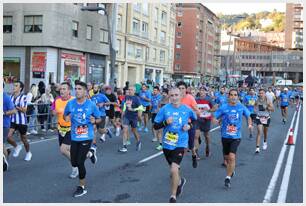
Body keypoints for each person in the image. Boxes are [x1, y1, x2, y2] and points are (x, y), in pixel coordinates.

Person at [153, 87, 197, 203]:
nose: (174, 98)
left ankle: (173, 196)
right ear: (169, 96)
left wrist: (189, 126)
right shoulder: (164, 109)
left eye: (176, 95)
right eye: (172, 95)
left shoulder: (187, 109)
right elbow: (155, 126)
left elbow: (195, 120)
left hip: (181, 143)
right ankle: (180, 182)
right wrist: (165, 122)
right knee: (174, 170)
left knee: (173, 169)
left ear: (181, 96)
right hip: (167, 144)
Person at [64, 80, 102, 197]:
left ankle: (81, 187)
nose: (77, 91)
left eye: (80, 89)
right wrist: (67, 117)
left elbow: (99, 118)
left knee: (80, 162)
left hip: (87, 136)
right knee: (74, 162)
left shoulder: (91, 105)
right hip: (75, 137)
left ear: (85, 92)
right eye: (76, 89)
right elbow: (65, 116)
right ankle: (91, 153)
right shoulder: (70, 104)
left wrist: (94, 121)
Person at [213, 89, 252, 188]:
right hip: (225, 136)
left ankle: (228, 177)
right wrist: (215, 120)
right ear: (228, 96)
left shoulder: (241, 107)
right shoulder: (224, 107)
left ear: (238, 97)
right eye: (231, 95)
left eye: (235, 95)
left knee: (232, 157)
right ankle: (231, 170)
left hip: (236, 136)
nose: (233, 97)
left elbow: (248, 116)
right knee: (226, 157)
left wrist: (250, 124)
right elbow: (215, 116)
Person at [51, 82, 78, 178]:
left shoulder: (74, 100)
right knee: (70, 150)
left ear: (69, 91)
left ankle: (75, 167)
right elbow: (53, 110)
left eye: (64, 89)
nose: (62, 90)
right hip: (61, 129)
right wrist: (53, 112)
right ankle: (88, 153)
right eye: (61, 89)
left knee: (63, 150)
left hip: (72, 129)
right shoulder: (57, 100)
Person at [176, 81, 201, 168]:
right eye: (179, 88)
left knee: (191, 145)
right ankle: (177, 165)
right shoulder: (175, 98)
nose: (181, 90)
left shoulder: (190, 98)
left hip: (189, 124)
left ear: (186, 89)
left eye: (183, 88)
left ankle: (194, 155)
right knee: (181, 146)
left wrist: (192, 113)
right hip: (178, 125)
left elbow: (197, 111)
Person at [7, 81, 32, 161]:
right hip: (12, 120)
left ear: (20, 88)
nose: (14, 87)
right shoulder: (10, 97)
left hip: (21, 121)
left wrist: (15, 107)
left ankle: (28, 153)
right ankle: (17, 146)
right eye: (14, 85)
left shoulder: (23, 97)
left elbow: (24, 110)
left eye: (16, 86)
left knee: (24, 139)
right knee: (8, 136)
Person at [194, 87, 217, 158]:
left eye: (203, 90)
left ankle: (208, 147)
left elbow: (215, 108)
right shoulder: (196, 99)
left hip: (206, 119)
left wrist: (209, 110)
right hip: (198, 119)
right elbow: (192, 107)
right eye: (200, 90)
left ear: (206, 92)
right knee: (196, 136)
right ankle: (196, 152)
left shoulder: (209, 99)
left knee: (206, 136)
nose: (201, 92)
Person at [119, 86, 142, 153]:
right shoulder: (126, 97)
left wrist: (133, 109)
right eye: (129, 89)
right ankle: (124, 146)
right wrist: (122, 114)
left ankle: (138, 141)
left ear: (134, 91)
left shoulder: (136, 98)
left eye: (131, 90)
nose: (129, 91)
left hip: (134, 117)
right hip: (127, 116)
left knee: (134, 131)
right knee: (125, 130)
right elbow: (125, 106)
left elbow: (141, 108)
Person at [254, 89, 274, 153]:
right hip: (259, 117)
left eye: (262, 93)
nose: (261, 94)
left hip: (266, 118)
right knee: (259, 131)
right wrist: (255, 111)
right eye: (260, 93)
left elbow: (273, 109)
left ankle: (265, 141)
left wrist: (267, 108)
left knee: (265, 132)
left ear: (265, 94)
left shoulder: (268, 101)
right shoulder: (257, 100)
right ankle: (257, 148)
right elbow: (255, 106)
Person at [3, 84, 17, 171]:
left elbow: (14, 111)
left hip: (4, 125)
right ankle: (6, 153)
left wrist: (4, 113)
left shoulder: (6, 98)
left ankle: (5, 163)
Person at [151, 86, 163, 150]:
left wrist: (159, 109)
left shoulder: (161, 97)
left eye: (155, 90)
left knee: (159, 130)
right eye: (154, 90)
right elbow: (152, 105)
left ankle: (161, 144)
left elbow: (163, 105)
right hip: (154, 113)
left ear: (158, 91)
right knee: (153, 126)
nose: (154, 91)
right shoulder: (152, 97)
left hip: (160, 115)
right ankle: (155, 137)